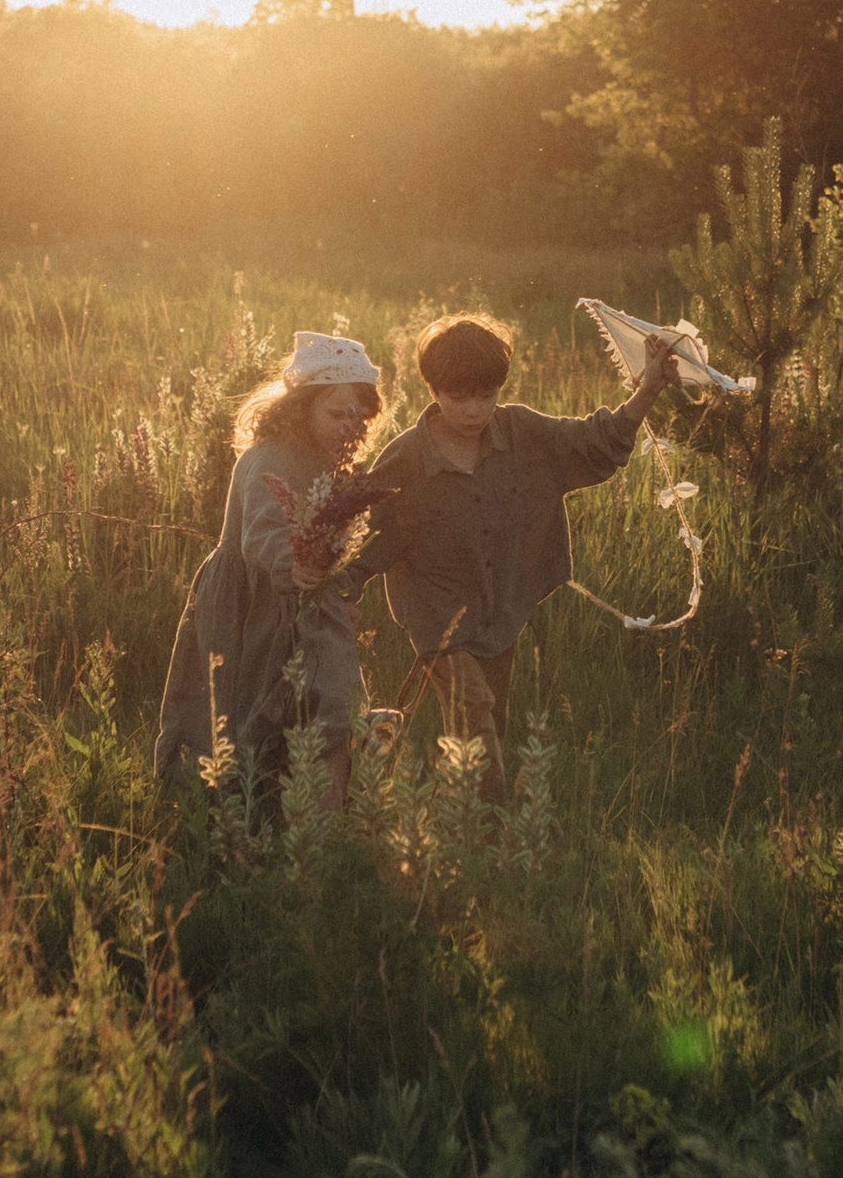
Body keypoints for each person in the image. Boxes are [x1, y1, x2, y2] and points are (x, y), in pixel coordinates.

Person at [365, 312, 676, 777]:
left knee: (489, 722)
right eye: (459, 398)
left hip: (500, 606)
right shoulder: (407, 457)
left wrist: (649, 388)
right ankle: (493, 820)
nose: (475, 410)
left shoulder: (522, 433)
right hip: (436, 615)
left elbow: (595, 442)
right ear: (432, 390)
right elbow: (367, 533)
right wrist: (341, 590)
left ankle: (460, 811)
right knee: (473, 710)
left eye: (487, 396)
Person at [155, 330, 386, 807]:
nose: (349, 424)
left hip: (307, 601)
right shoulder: (270, 455)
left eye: (360, 415)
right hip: (249, 601)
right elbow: (260, 530)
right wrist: (291, 562)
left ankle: (326, 817)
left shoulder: (334, 459)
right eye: (336, 413)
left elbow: (338, 541)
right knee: (240, 707)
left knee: (330, 703)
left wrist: (338, 590)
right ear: (301, 407)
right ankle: (231, 806)